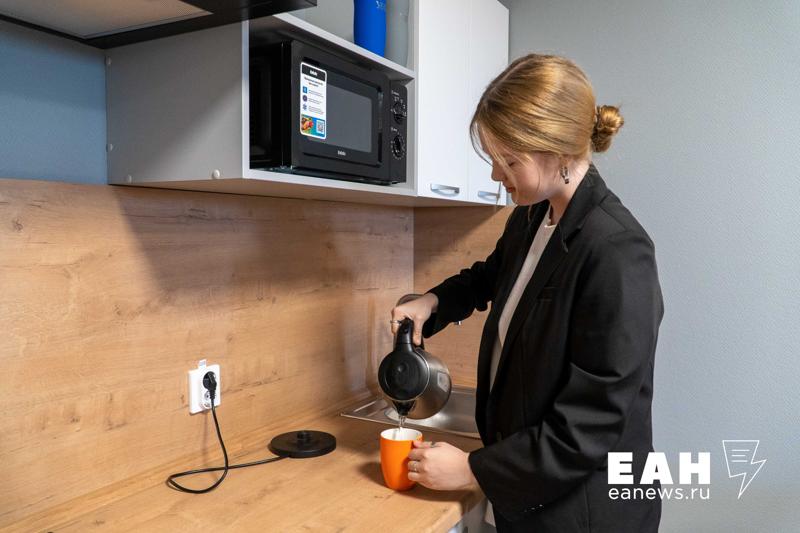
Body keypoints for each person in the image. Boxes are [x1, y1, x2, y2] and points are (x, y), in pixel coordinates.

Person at [390, 54, 664, 532]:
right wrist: (431, 303)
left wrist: (473, 470)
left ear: (556, 150)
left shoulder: (618, 251)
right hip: (534, 493)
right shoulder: (533, 217)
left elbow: (589, 425)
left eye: (509, 161)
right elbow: (489, 276)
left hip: (585, 513)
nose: (497, 176)